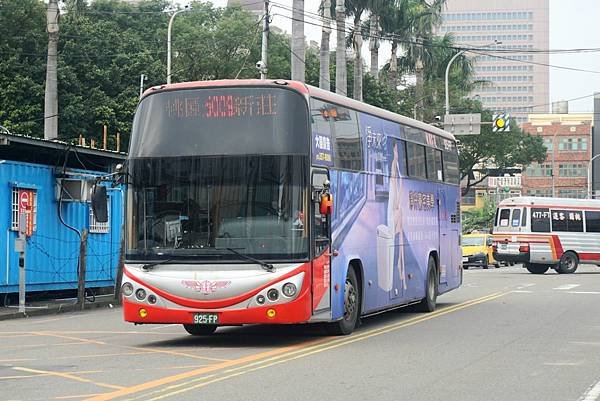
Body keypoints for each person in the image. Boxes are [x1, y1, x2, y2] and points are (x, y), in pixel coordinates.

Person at [387, 139, 406, 291]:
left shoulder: (398, 166)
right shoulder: (393, 166)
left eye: (397, 150)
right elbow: (394, 187)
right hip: (395, 209)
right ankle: (399, 271)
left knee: (400, 243)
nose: (396, 153)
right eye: (394, 150)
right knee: (397, 241)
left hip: (399, 208)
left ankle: (401, 271)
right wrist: (397, 209)